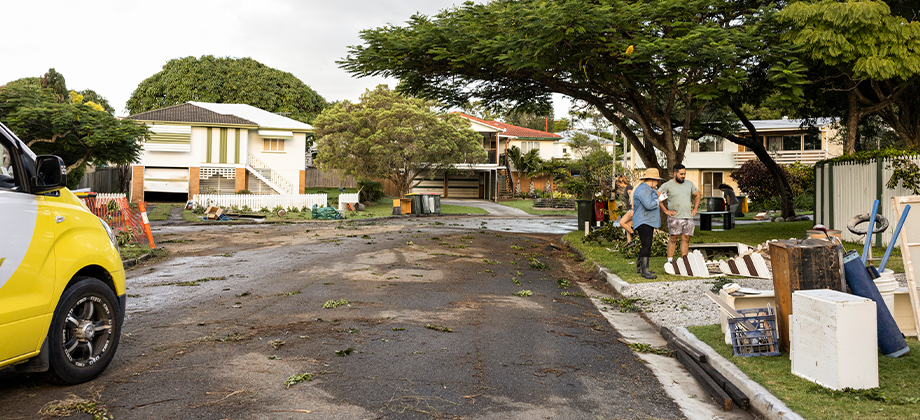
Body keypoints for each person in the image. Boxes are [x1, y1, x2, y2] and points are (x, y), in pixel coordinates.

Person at [658, 164, 701, 261]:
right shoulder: (667, 185)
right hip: (675, 217)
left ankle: (684, 260)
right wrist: (666, 211)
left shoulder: (689, 184)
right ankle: (670, 261)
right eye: (681, 174)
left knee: (686, 239)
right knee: (673, 238)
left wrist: (695, 209)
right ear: (675, 174)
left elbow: (697, 194)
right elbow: (657, 197)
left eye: (684, 174)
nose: (683, 176)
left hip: (688, 216)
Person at [633, 168, 665, 279]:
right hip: (644, 221)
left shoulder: (647, 189)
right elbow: (649, 205)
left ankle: (640, 267)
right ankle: (644, 271)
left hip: (646, 221)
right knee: (647, 244)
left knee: (645, 243)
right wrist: (659, 200)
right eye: (656, 180)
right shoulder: (644, 190)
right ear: (651, 180)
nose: (657, 182)